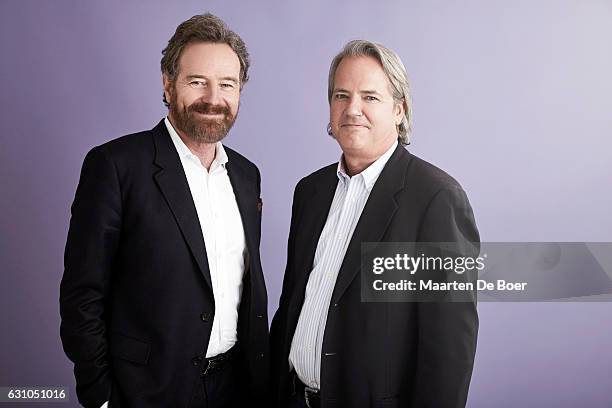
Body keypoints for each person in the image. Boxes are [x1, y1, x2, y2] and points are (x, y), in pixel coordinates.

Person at [60, 13, 268, 408]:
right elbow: (82, 293)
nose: (213, 98)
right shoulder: (116, 166)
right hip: (146, 391)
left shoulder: (246, 175)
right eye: (197, 82)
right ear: (168, 84)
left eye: (227, 84)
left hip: (236, 389)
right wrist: (100, 396)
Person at [270, 40, 479, 408]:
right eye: (341, 95)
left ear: (399, 110)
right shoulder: (310, 192)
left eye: (370, 97)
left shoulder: (437, 199)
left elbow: (448, 351)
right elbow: (292, 305)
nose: (352, 109)